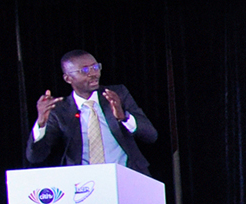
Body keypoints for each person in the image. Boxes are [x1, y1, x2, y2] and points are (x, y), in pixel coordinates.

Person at [26, 50, 157, 176]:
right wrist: (41, 122)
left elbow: (151, 135)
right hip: (84, 182)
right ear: (68, 78)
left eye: (95, 67)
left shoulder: (116, 95)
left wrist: (124, 118)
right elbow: (36, 157)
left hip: (126, 175)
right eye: (85, 70)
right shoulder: (60, 111)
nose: (93, 74)